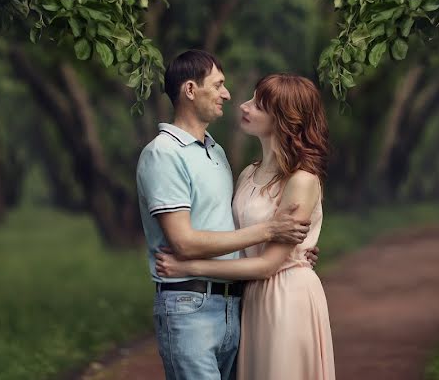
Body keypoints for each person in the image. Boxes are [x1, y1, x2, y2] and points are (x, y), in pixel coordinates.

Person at [136, 50, 318, 380]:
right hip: (190, 303)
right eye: (219, 85)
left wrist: (294, 254)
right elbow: (185, 243)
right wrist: (271, 232)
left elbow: (232, 228)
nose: (229, 95)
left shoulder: (216, 153)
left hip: (235, 305)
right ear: (190, 90)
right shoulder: (163, 154)